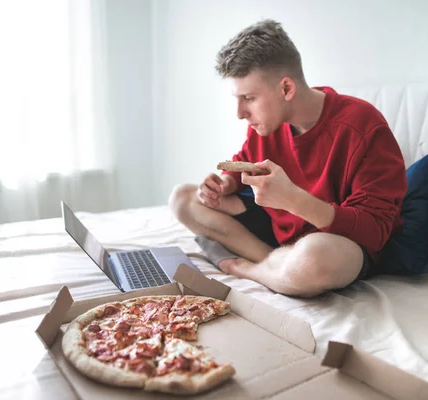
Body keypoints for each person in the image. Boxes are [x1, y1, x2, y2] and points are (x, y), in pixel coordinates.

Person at [168, 19, 407, 298]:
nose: (240, 112)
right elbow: (245, 160)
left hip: (335, 242)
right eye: (237, 98)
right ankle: (275, 264)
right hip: (279, 234)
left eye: (249, 98)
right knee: (183, 198)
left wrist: (293, 199)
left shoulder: (362, 125)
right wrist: (224, 185)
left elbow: (376, 230)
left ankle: (247, 268)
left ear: (286, 89)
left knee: (313, 258)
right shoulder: (266, 123)